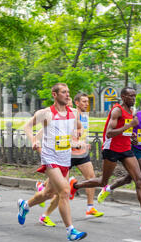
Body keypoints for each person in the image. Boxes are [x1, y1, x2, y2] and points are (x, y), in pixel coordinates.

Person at [69, 87, 141, 231]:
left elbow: (125, 132)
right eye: (130, 96)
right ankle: (75, 186)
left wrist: (132, 136)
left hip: (126, 149)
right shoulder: (117, 110)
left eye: (134, 96)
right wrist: (129, 126)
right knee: (103, 182)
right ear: (123, 97)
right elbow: (110, 133)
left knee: (140, 180)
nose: (133, 98)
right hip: (111, 149)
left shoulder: (131, 111)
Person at [18, 83, 87, 242]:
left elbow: (78, 128)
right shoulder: (46, 113)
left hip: (65, 158)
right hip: (49, 157)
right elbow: (27, 127)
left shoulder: (73, 114)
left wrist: (77, 139)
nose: (68, 95)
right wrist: (34, 140)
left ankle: (25, 205)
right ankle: (71, 231)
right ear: (54, 95)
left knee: (48, 194)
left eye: (68, 92)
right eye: (64, 92)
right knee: (64, 191)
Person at [37, 93, 103, 227]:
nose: (86, 104)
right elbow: (40, 135)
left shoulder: (81, 116)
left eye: (70, 104)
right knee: (61, 191)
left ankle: (90, 207)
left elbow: (81, 132)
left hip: (81, 153)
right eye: (83, 101)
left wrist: (83, 143)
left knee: (91, 177)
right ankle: (45, 210)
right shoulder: (56, 118)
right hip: (64, 155)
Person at [99, 96, 141, 224]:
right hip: (135, 151)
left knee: (129, 178)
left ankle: (107, 189)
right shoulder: (135, 115)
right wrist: (131, 138)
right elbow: (126, 131)